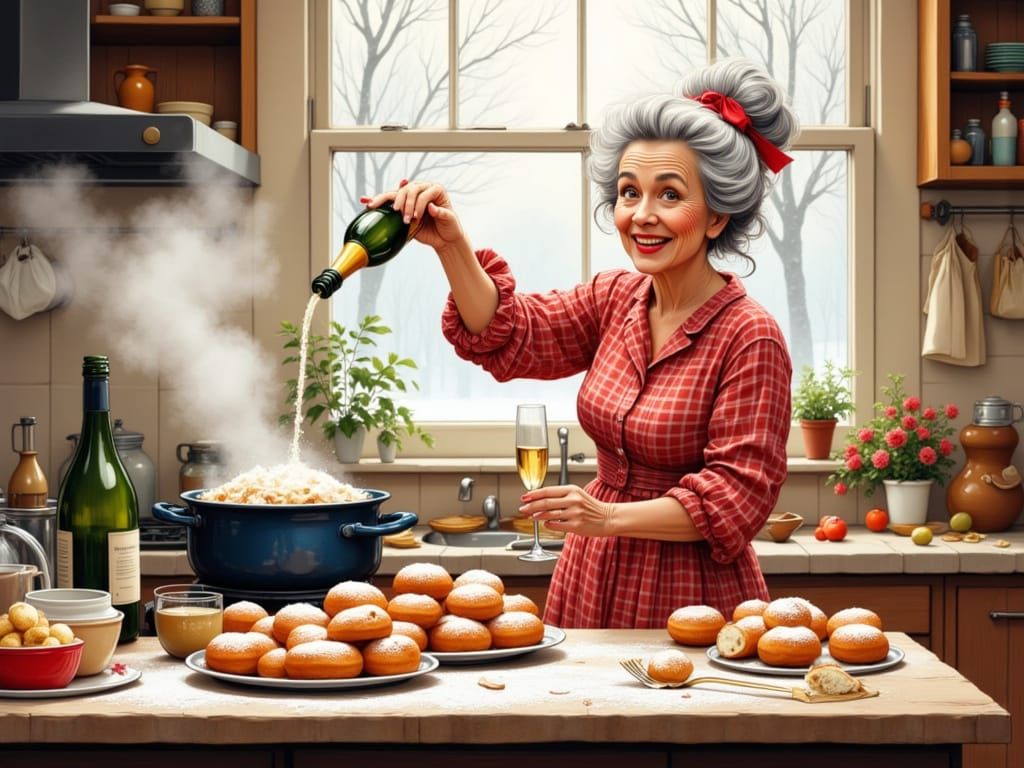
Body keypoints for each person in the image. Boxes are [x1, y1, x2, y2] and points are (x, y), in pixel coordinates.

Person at [364, 58, 799, 629]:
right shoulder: (615, 298)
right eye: (627, 192)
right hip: (591, 569)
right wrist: (450, 244)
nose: (641, 216)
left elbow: (733, 501)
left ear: (716, 215)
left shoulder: (750, 336)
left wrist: (606, 516)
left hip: (691, 591)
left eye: (669, 195)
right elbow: (511, 333)